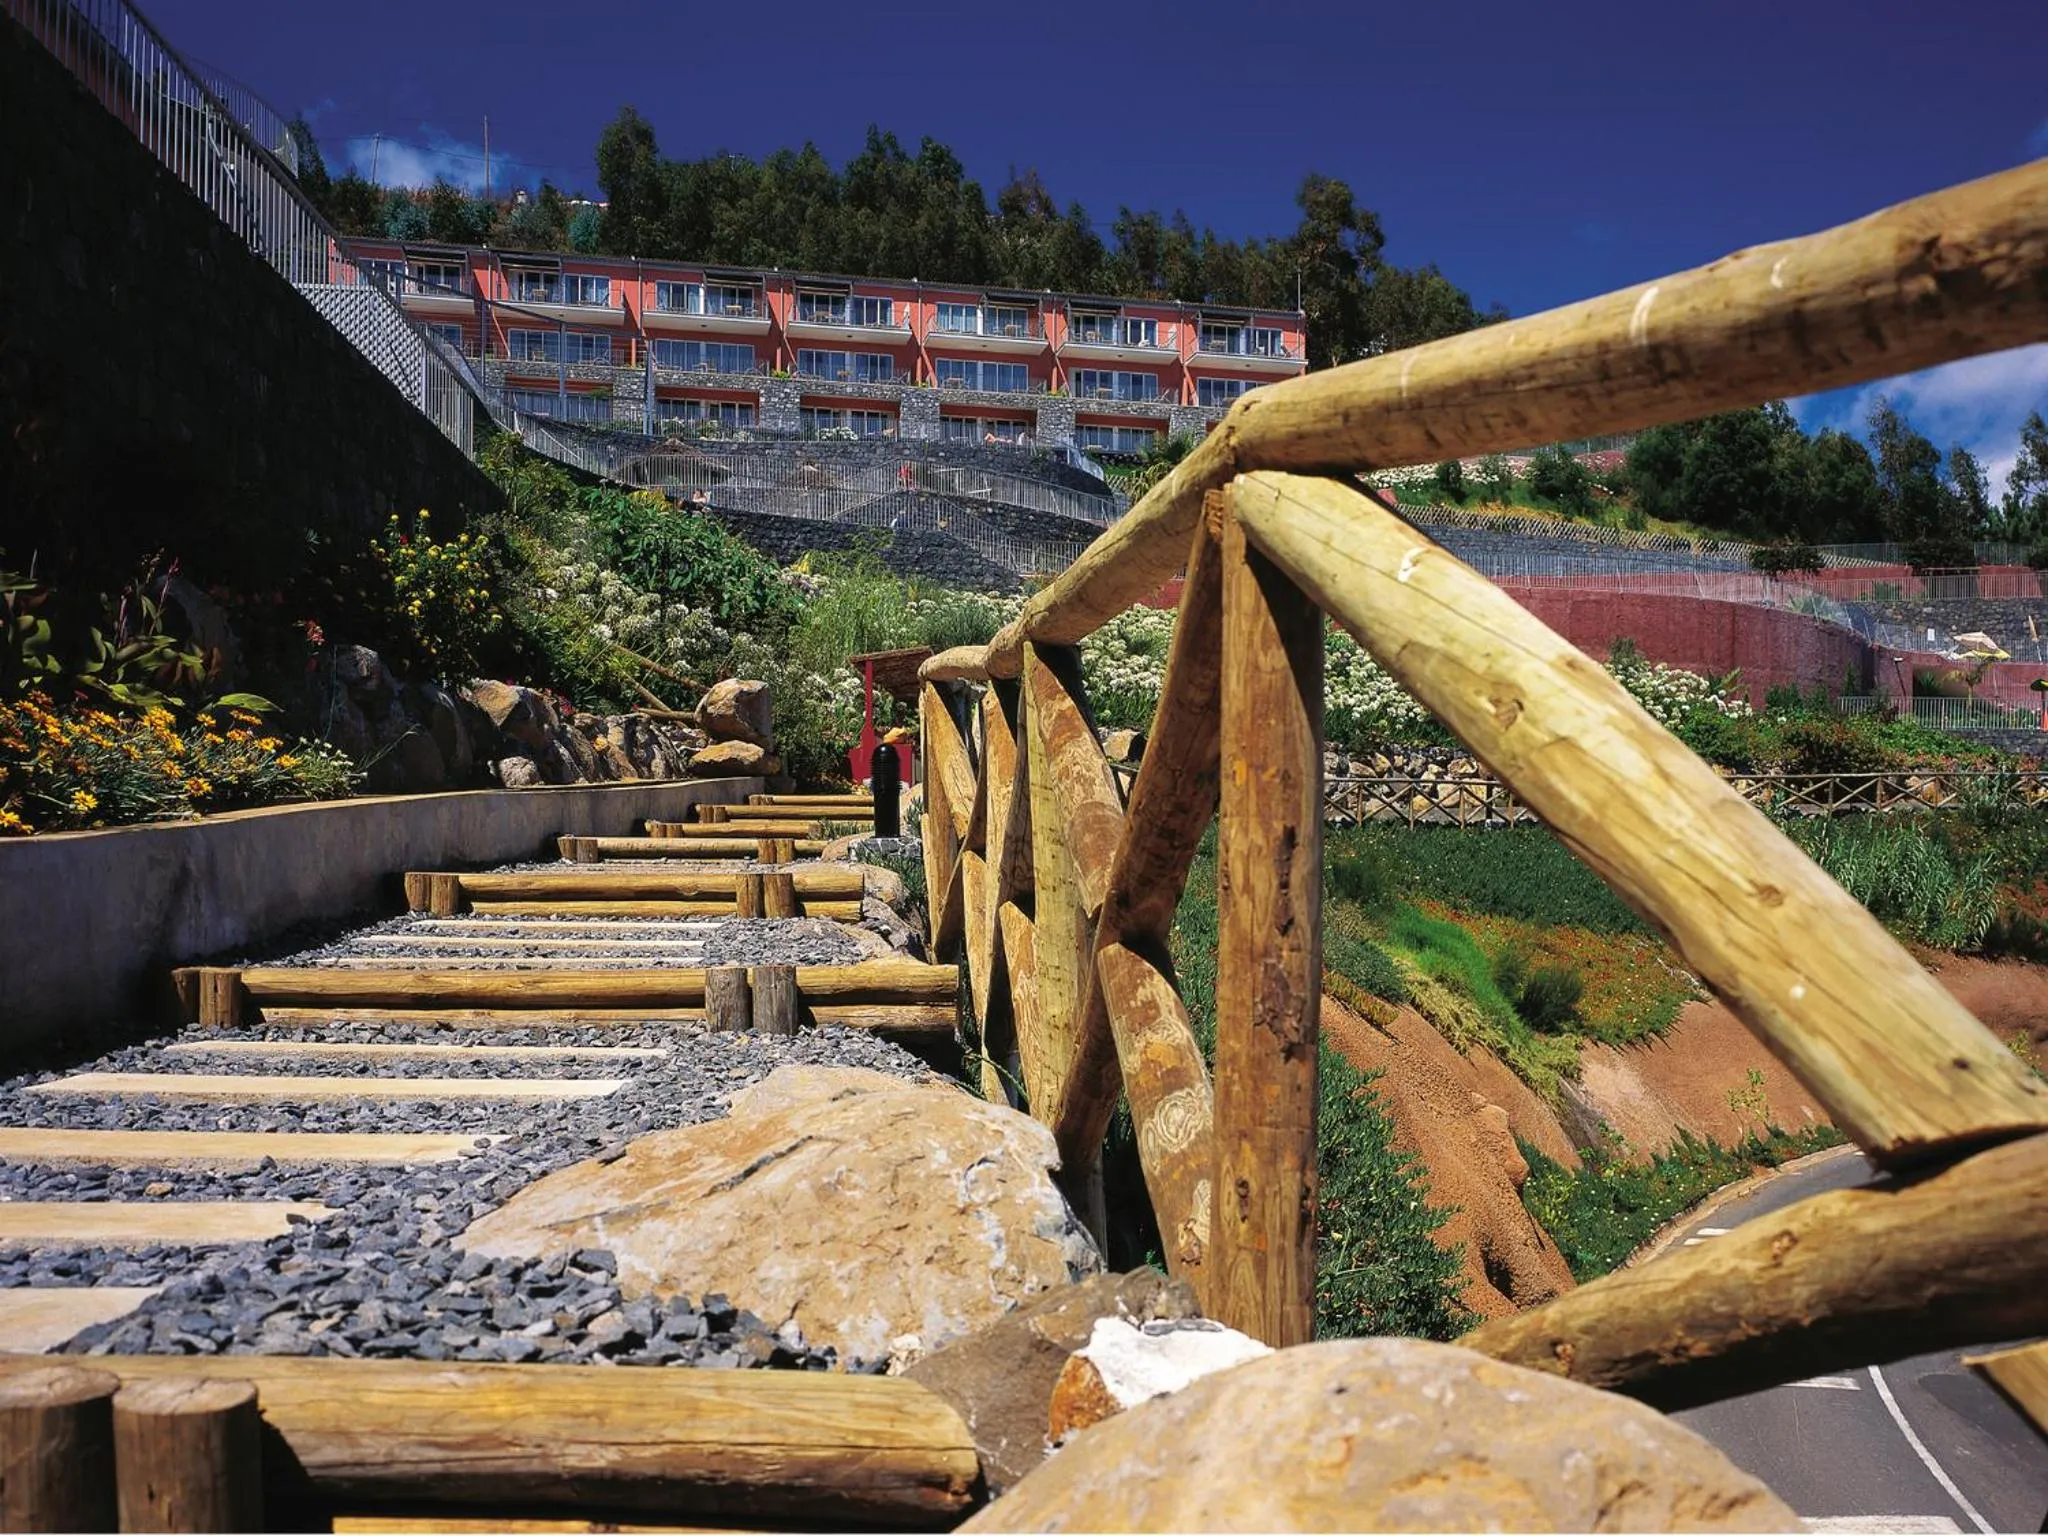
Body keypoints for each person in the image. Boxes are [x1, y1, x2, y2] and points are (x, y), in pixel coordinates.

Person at [871, 725, 910, 839]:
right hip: (887, 790)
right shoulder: (890, 754)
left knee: (887, 798)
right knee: (887, 798)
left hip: (888, 790)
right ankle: (889, 831)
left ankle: (886, 832)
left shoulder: (882, 753)